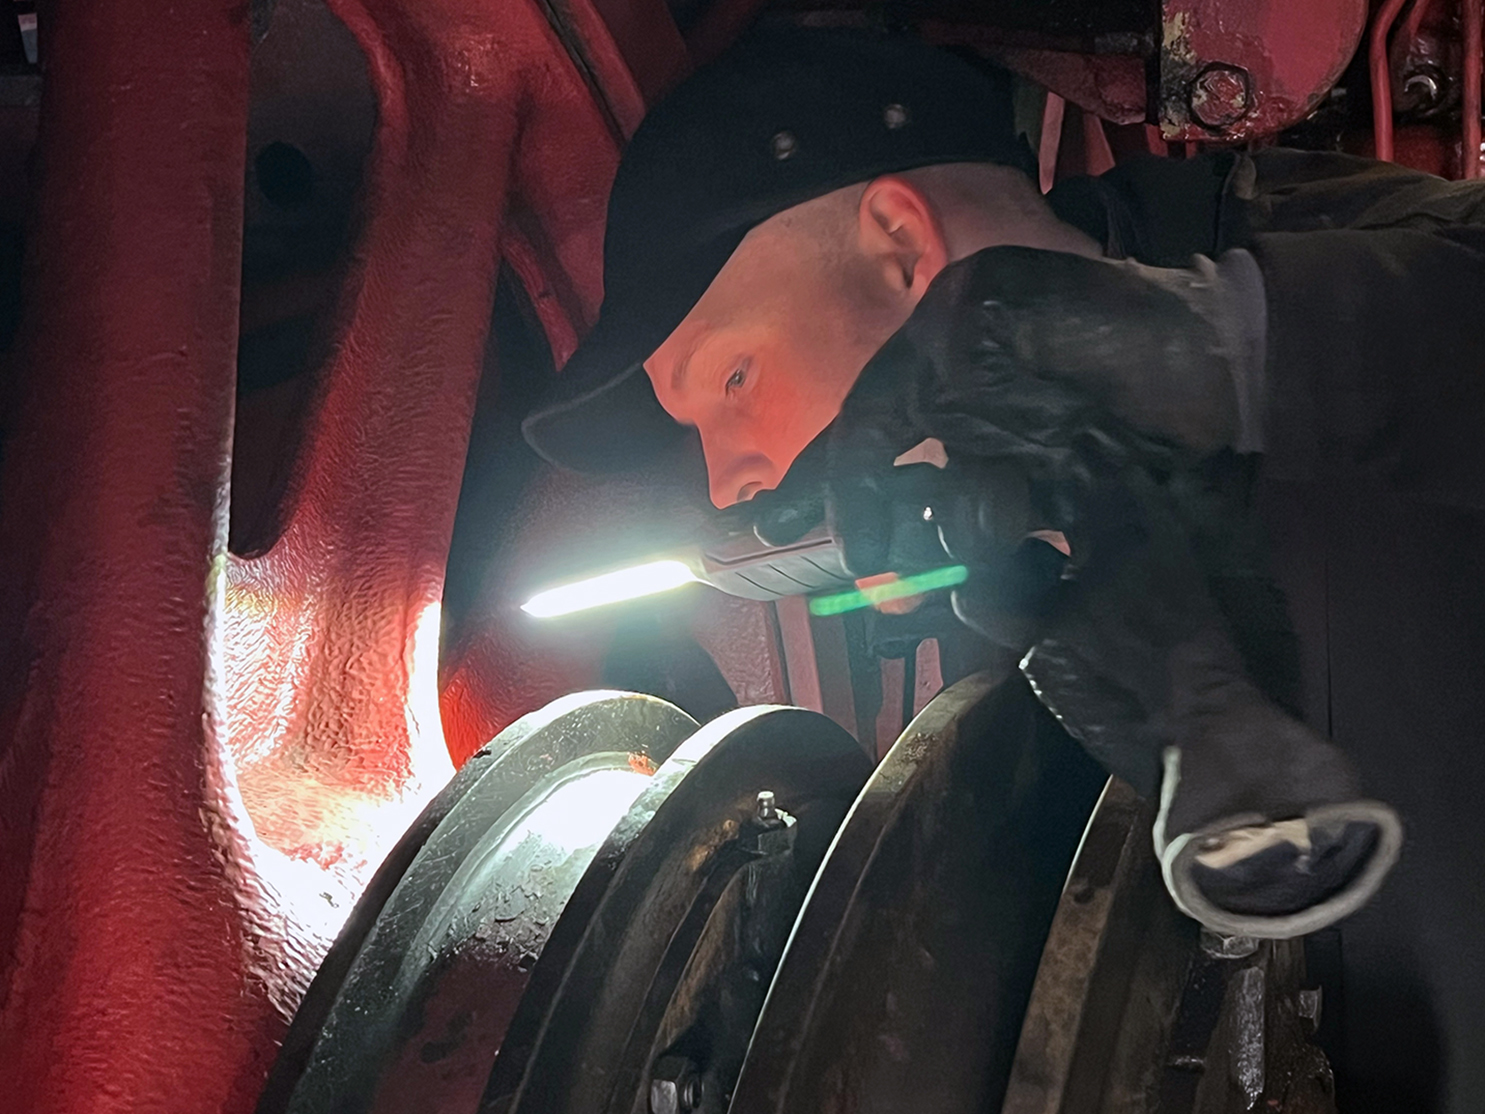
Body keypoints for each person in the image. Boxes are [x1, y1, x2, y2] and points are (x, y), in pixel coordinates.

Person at [523, 27, 1485, 1112]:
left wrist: (1226, 350)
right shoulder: (1022, 583)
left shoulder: (1353, 248)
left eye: (734, 376)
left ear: (899, 245)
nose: (726, 483)